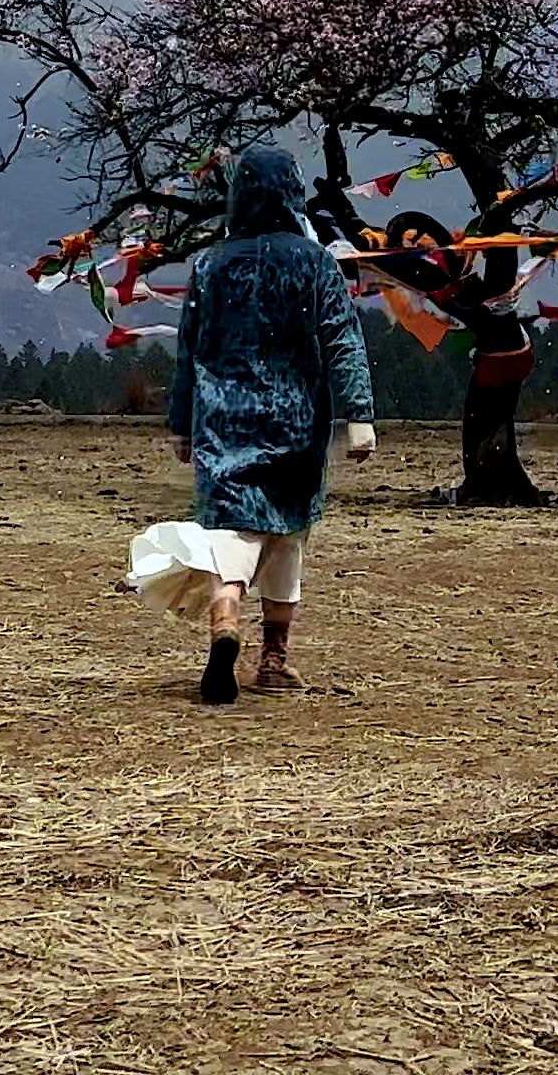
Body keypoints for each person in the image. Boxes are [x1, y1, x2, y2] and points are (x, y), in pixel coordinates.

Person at [150, 140, 377, 704]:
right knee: (287, 532)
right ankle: (273, 657)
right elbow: (342, 341)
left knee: (231, 527)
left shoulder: (210, 265)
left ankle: (226, 610)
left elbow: (189, 351)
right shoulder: (314, 261)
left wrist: (180, 423)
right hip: (295, 419)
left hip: (221, 418)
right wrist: (359, 415)